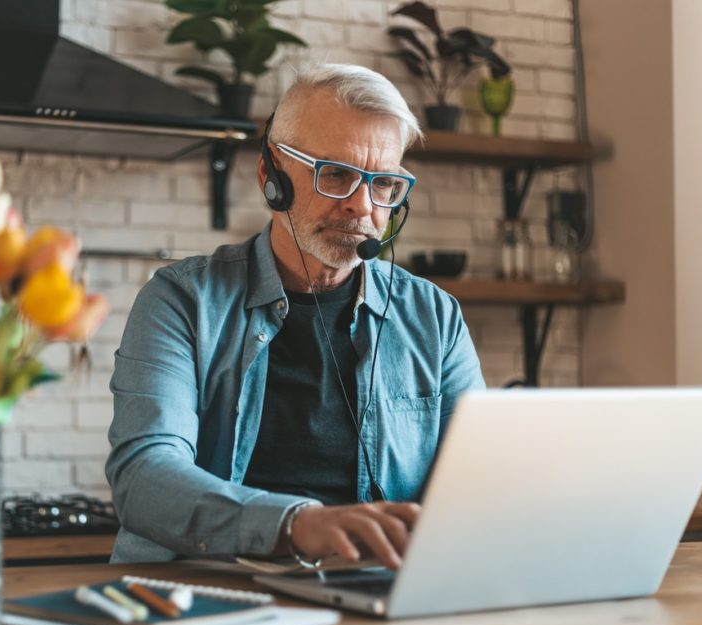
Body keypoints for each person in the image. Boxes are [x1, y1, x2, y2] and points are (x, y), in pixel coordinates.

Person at [106, 63, 485, 567]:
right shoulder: (182, 301)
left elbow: (480, 480)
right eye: (335, 175)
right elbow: (144, 474)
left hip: (369, 595)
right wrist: (298, 525)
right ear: (271, 177)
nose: (361, 206)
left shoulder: (433, 317)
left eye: (384, 186)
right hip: (211, 594)